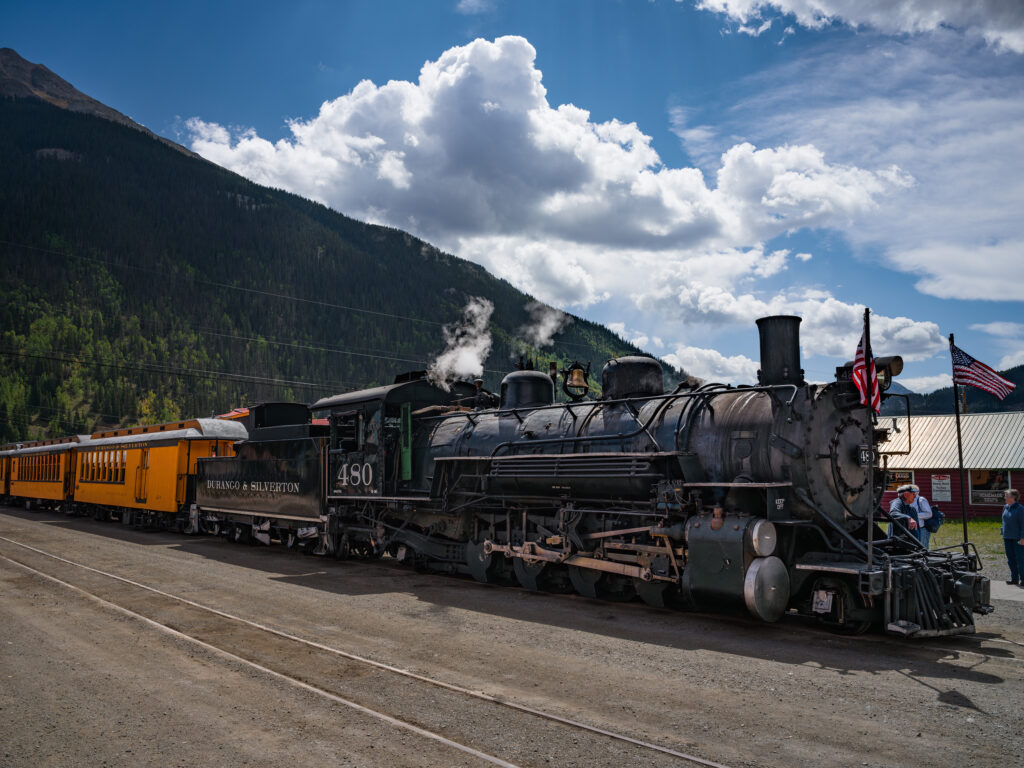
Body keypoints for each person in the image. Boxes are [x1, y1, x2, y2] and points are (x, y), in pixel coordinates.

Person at [1002, 489, 1024, 586]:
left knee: (1020, 559)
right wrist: (1002, 531)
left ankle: (1023, 579)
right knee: (1010, 559)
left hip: (1017, 538)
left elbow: (1023, 524)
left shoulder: (1020, 509)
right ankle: (1014, 578)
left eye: (1006, 496)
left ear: (1013, 498)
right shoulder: (1005, 507)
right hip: (1007, 537)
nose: (1004, 498)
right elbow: (1004, 521)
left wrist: (1023, 538)